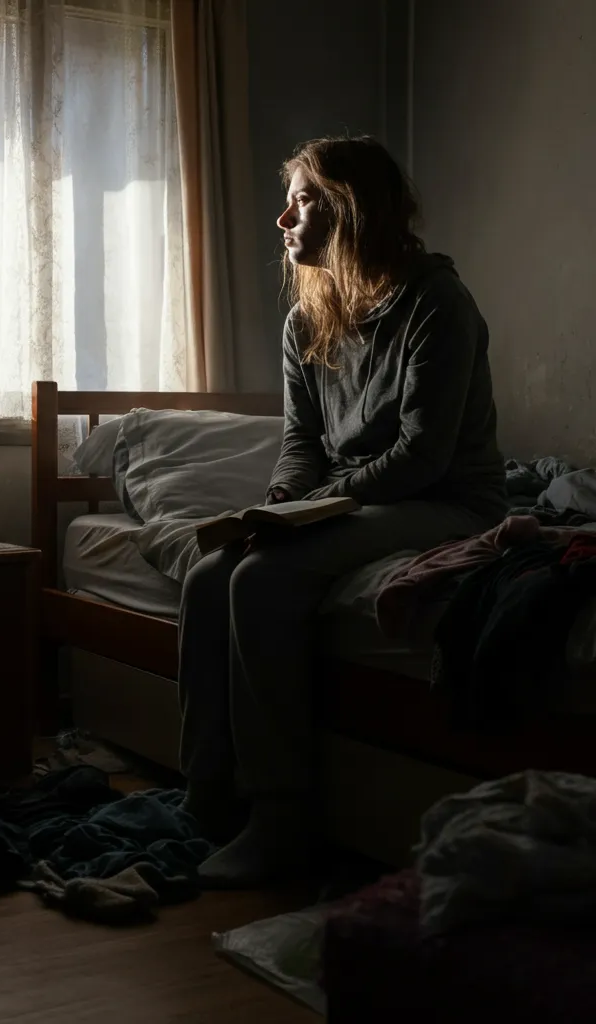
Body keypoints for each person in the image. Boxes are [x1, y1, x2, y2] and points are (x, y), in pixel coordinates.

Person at [178, 135, 508, 887]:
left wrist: (316, 510)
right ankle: (206, 795)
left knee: (262, 580)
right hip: (359, 497)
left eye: (301, 199)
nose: (282, 217)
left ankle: (280, 816)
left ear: (348, 209)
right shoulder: (307, 321)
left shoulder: (438, 304)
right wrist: (283, 501)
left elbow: (426, 457)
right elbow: (301, 444)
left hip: (448, 501)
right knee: (209, 573)